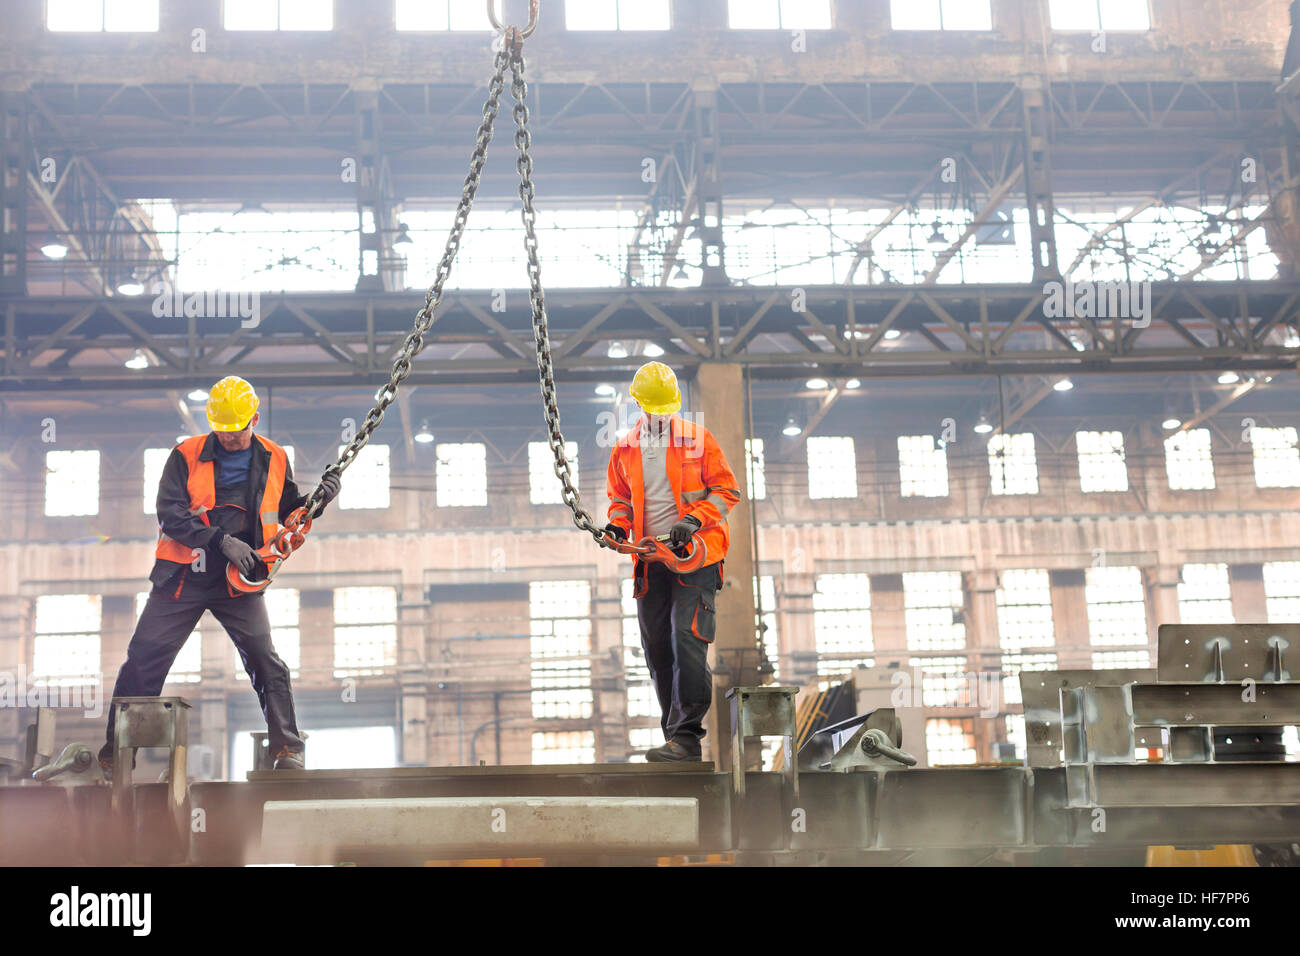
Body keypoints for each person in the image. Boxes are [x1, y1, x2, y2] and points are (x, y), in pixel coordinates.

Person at [99, 376, 340, 776]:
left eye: (238, 430)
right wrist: (220, 540)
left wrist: (320, 500)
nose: (230, 438)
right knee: (143, 659)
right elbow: (170, 514)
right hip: (183, 575)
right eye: (223, 431)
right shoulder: (185, 454)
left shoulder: (275, 456)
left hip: (239, 579)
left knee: (266, 661)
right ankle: (116, 754)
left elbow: (288, 513)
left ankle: (287, 750)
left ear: (255, 419)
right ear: (213, 423)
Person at [604, 362, 741, 762]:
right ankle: (673, 738)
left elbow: (726, 491)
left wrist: (693, 519)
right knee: (658, 649)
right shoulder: (626, 448)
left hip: (695, 556)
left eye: (666, 408)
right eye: (654, 408)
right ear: (640, 405)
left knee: (687, 639)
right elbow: (621, 500)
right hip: (650, 559)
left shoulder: (698, 440)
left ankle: (687, 737)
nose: (660, 416)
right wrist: (616, 528)